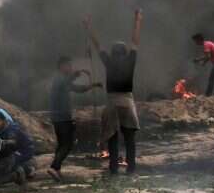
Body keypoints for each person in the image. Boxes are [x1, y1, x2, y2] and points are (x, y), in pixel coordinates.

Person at [86, 9, 142, 176]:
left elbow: (98, 46)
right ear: (124, 52)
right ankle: (131, 168)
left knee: (112, 136)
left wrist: (89, 27)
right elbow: (135, 41)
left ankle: (113, 168)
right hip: (127, 100)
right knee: (129, 137)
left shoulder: (109, 61)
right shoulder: (130, 60)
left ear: (113, 52)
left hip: (112, 101)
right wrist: (137, 20)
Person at [47, 56, 102, 181]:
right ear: (62, 66)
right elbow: (68, 80)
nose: (70, 68)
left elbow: (78, 89)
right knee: (68, 144)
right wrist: (78, 73)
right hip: (62, 117)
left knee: (62, 144)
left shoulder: (63, 80)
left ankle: (56, 169)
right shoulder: (59, 79)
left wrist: (92, 85)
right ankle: (54, 167)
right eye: (68, 65)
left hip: (60, 117)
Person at [0, 110, 35, 187]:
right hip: (15, 150)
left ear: (4, 121)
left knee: (8, 161)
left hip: (24, 150)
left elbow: (13, 141)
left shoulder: (11, 128)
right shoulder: (0, 129)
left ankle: (27, 170)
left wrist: (0, 142)